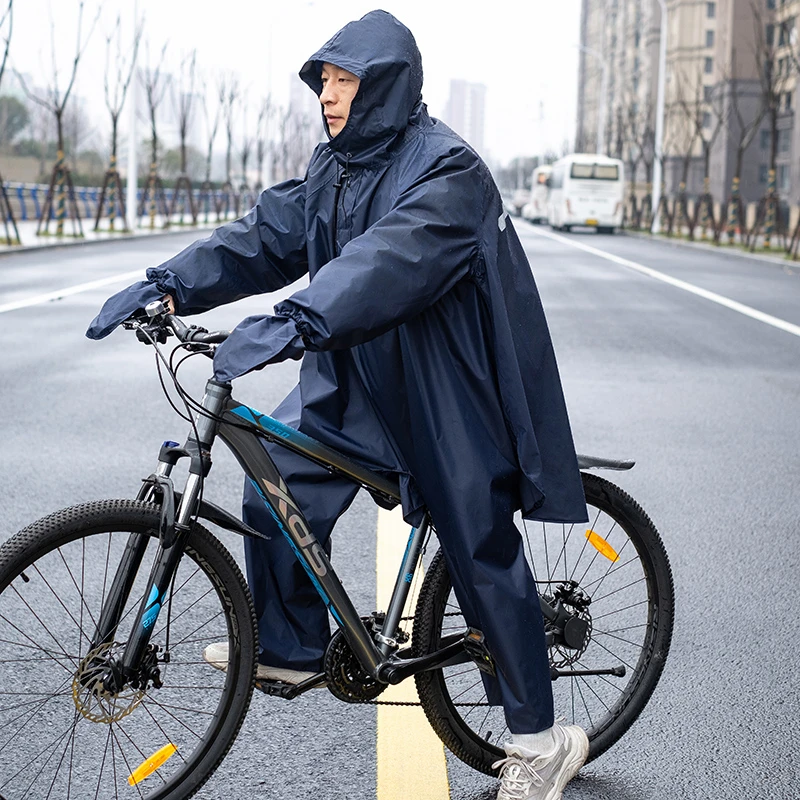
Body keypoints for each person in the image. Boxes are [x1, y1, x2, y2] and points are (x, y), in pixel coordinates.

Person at [87, 10, 590, 799]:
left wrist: (294, 320)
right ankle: (287, 645)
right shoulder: (336, 167)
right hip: (350, 379)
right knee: (271, 480)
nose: (328, 93)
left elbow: (388, 264)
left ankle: (539, 742)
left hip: (441, 388)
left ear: (382, 86)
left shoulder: (449, 169)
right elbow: (265, 234)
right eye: (323, 79)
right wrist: (170, 281)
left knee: (478, 546)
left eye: (344, 80)